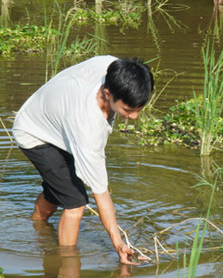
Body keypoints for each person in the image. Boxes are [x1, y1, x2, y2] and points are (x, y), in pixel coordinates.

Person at [13, 55, 154, 265]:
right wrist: (118, 243)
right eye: (128, 110)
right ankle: (68, 265)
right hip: (33, 132)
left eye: (138, 110)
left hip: (55, 118)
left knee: (58, 188)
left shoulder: (113, 67)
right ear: (108, 93)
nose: (133, 117)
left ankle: (38, 227)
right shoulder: (87, 127)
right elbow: (101, 193)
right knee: (75, 203)